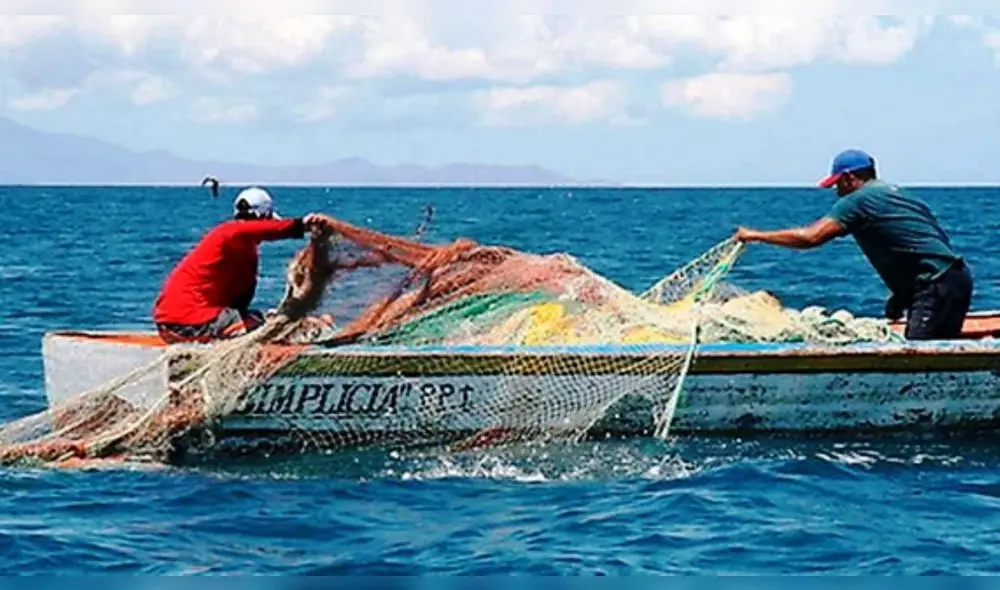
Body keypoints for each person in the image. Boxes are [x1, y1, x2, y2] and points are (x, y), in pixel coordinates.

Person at [735, 149, 973, 341]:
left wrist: (755, 235)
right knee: (938, 344)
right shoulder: (900, 195)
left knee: (920, 359)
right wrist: (903, 295)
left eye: (838, 184)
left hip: (935, 284)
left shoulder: (858, 200)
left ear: (849, 178)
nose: (837, 192)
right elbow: (924, 243)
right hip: (955, 277)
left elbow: (811, 237)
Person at [153, 186, 328, 344]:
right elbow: (263, 229)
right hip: (185, 323)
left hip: (174, 324)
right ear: (263, 217)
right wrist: (301, 226)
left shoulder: (244, 251)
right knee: (259, 326)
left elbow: (239, 302)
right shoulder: (229, 233)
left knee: (256, 319)